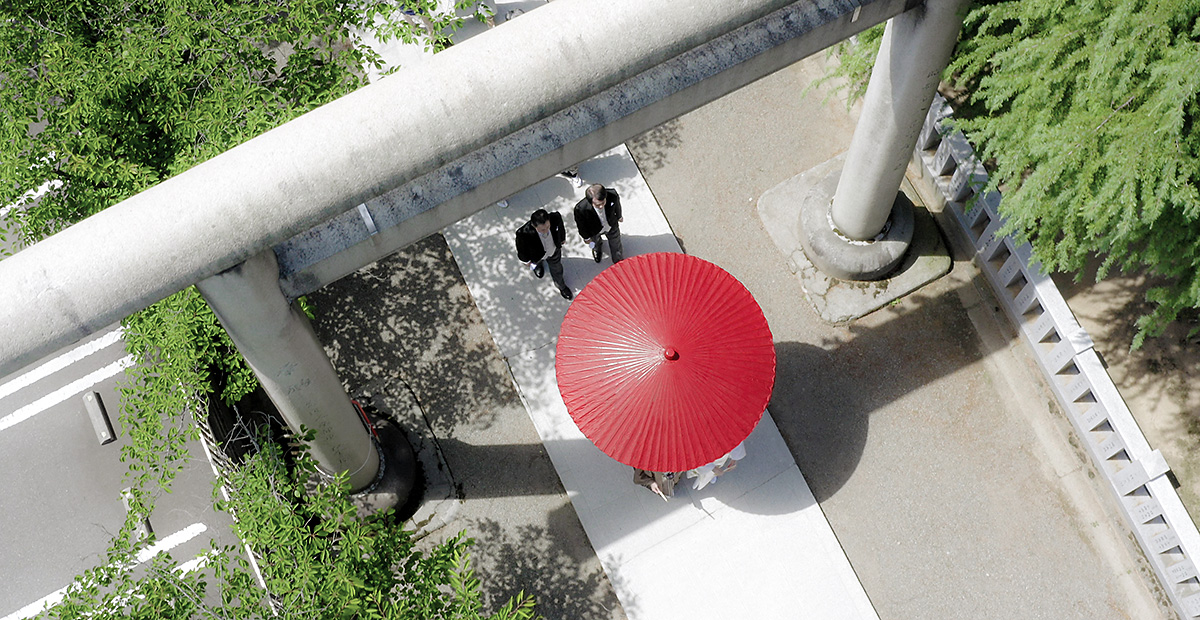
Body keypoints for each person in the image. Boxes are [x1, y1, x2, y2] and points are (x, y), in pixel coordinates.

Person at [515, 209, 573, 300]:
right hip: (537, 255)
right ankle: (538, 266)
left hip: (553, 250)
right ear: (534, 225)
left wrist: (562, 238)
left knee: (557, 268)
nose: (546, 231)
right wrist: (526, 261)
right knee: (537, 262)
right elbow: (522, 249)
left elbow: (561, 227)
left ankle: (561, 286)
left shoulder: (555, 217)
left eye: (548, 227)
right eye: (542, 229)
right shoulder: (523, 233)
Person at [573, 183, 623, 264]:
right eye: (597, 204)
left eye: (603, 203)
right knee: (594, 244)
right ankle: (596, 250)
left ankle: (618, 261)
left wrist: (619, 216)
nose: (601, 206)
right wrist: (586, 237)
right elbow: (581, 225)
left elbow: (617, 206)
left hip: (611, 225)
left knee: (616, 244)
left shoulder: (612, 195)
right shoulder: (580, 209)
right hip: (593, 231)